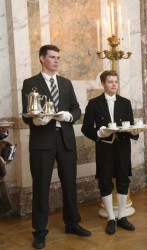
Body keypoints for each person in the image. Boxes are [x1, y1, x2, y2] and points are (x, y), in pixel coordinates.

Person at [21, 45, 91, 249]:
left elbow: (76, 108)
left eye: (58, 57)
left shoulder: (65, 83)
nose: (56, 61)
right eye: (52, 57)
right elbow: (27, 114)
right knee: (41, 186)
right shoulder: (30, 83)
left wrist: (70, 116)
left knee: (69, 184)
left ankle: (72, 223)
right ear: (42, 59)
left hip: (66, 139)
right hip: (42, 141)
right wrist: (36, 121)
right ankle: (40, 231)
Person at [81, 70, 139, 235]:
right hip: (104, 148)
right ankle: (111, 219)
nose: (114, 84)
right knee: (105, 181)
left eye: (116, 81)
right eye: (110, 82)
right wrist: (99, 133)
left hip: (122, 147)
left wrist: (135, 133)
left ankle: (122, 217)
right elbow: (86, 128)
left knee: (123, 180)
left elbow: (131, 126)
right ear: (103, 84)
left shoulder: (125, 102)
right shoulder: (94, 103)